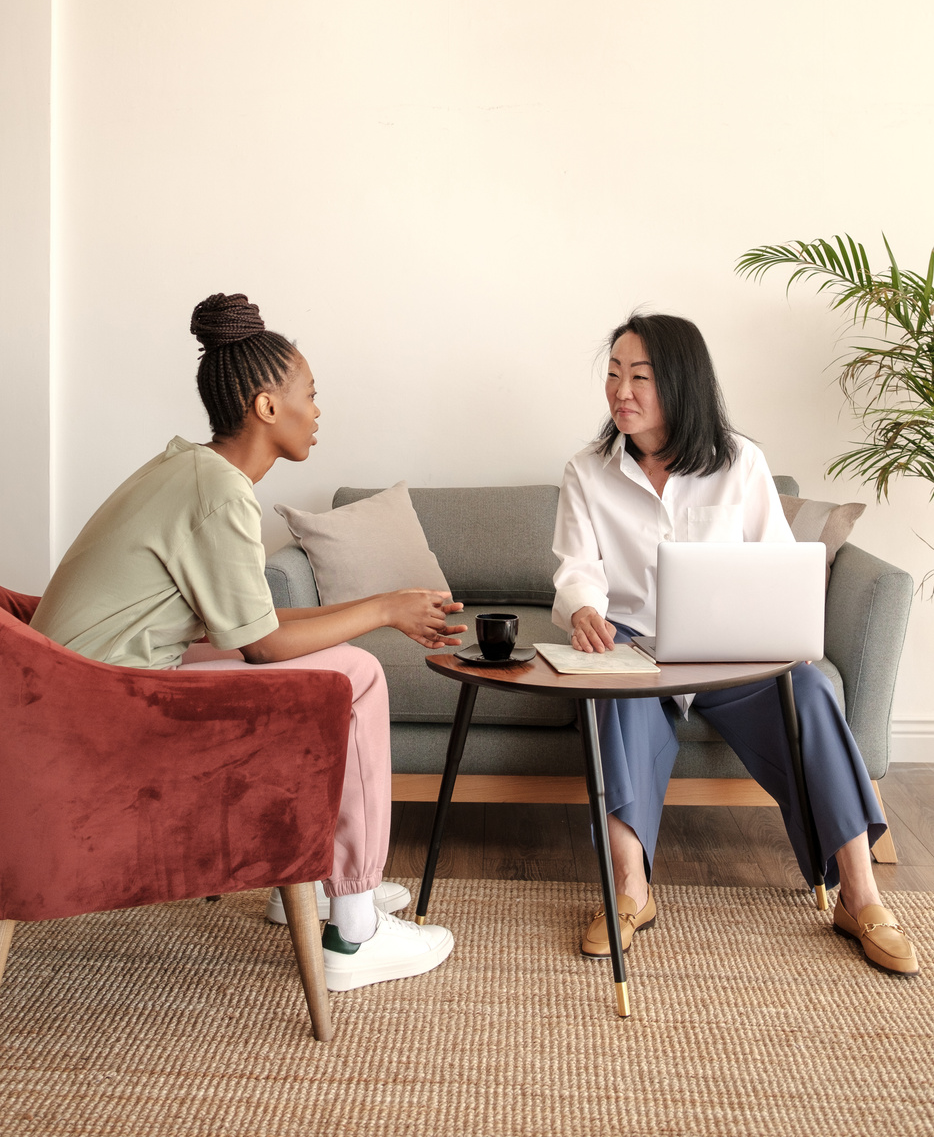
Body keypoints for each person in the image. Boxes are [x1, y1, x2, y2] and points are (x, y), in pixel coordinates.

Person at [31, 292, 468, 992]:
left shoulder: (192, 470)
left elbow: (252, 631)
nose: (318, 411)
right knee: (352, 676)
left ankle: (311, 876)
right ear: (268, 407)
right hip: (96, 713)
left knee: (328, 671)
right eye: (311, 395)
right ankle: (355, 931)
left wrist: (384, 609)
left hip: (82, 692)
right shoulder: (220, 491)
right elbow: (264, 647)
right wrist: (383, 609)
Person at [552, 312, 919, 976]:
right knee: (610, 692)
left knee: (807, 688)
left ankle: (859, 897)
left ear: (681, 383)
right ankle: (628, 892)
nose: (620, 392)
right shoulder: (588, 471)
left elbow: (777, 562)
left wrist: (784, 632)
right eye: (612, 375)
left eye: (639, 377)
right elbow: (578, 567)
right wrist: (582, 609)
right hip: (637, 648)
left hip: (729, 653)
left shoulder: (740, 461)